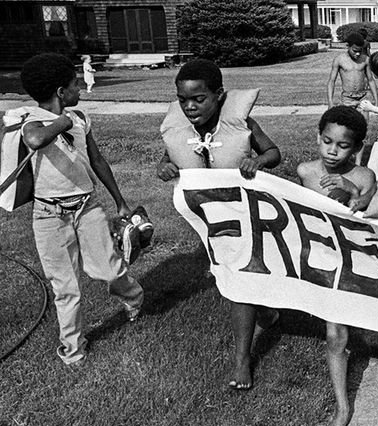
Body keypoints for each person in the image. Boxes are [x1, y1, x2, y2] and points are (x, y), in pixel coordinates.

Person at [158, 58, 281, 390]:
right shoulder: (179, 127)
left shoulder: (242, 123)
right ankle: (267, 313)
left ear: (220, 95)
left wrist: (257, 160)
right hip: (211, 220)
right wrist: (164, 167)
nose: (190, 106)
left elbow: (274, 152)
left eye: (199, 99)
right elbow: (168, 156)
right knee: (235, 276)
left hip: (246, 215)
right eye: (183, 100)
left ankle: (242, 361)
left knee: (239, 280)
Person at [17, 53, 144, 365]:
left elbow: (98, 160)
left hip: (87, 209)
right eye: (75, 84)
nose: (79, 89)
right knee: (65, 286)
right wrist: (62, 121)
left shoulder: (82, 120)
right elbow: (35, 139)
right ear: (62, 92)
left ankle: (133, 295)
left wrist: (120, 201)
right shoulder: (31, 121)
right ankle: (73, 350)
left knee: (108, 268)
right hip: (49, 216)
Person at [297, 106, 376, 426]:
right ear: (317, 137)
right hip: (319, 258)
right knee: (335, 336)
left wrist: (352, 190)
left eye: (342, 146)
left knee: (363, 318)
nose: (332, 150)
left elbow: (372, 211)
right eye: (326, 141)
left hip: (354, 259)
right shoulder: (305, 171)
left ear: (356, 148)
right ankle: (343, 408)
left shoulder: (363, 176)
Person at [327, 31, 377, 108]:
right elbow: (331, 81)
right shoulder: (339, 60)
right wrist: (330, 102)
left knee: (364, 120)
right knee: (348, 120)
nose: (357, 54)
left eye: (360, 51)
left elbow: (370, 80)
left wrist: (376, 100)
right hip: (347, 99)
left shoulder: (365, 59)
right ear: (348, 46)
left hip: (363, 97)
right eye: (355, 51)